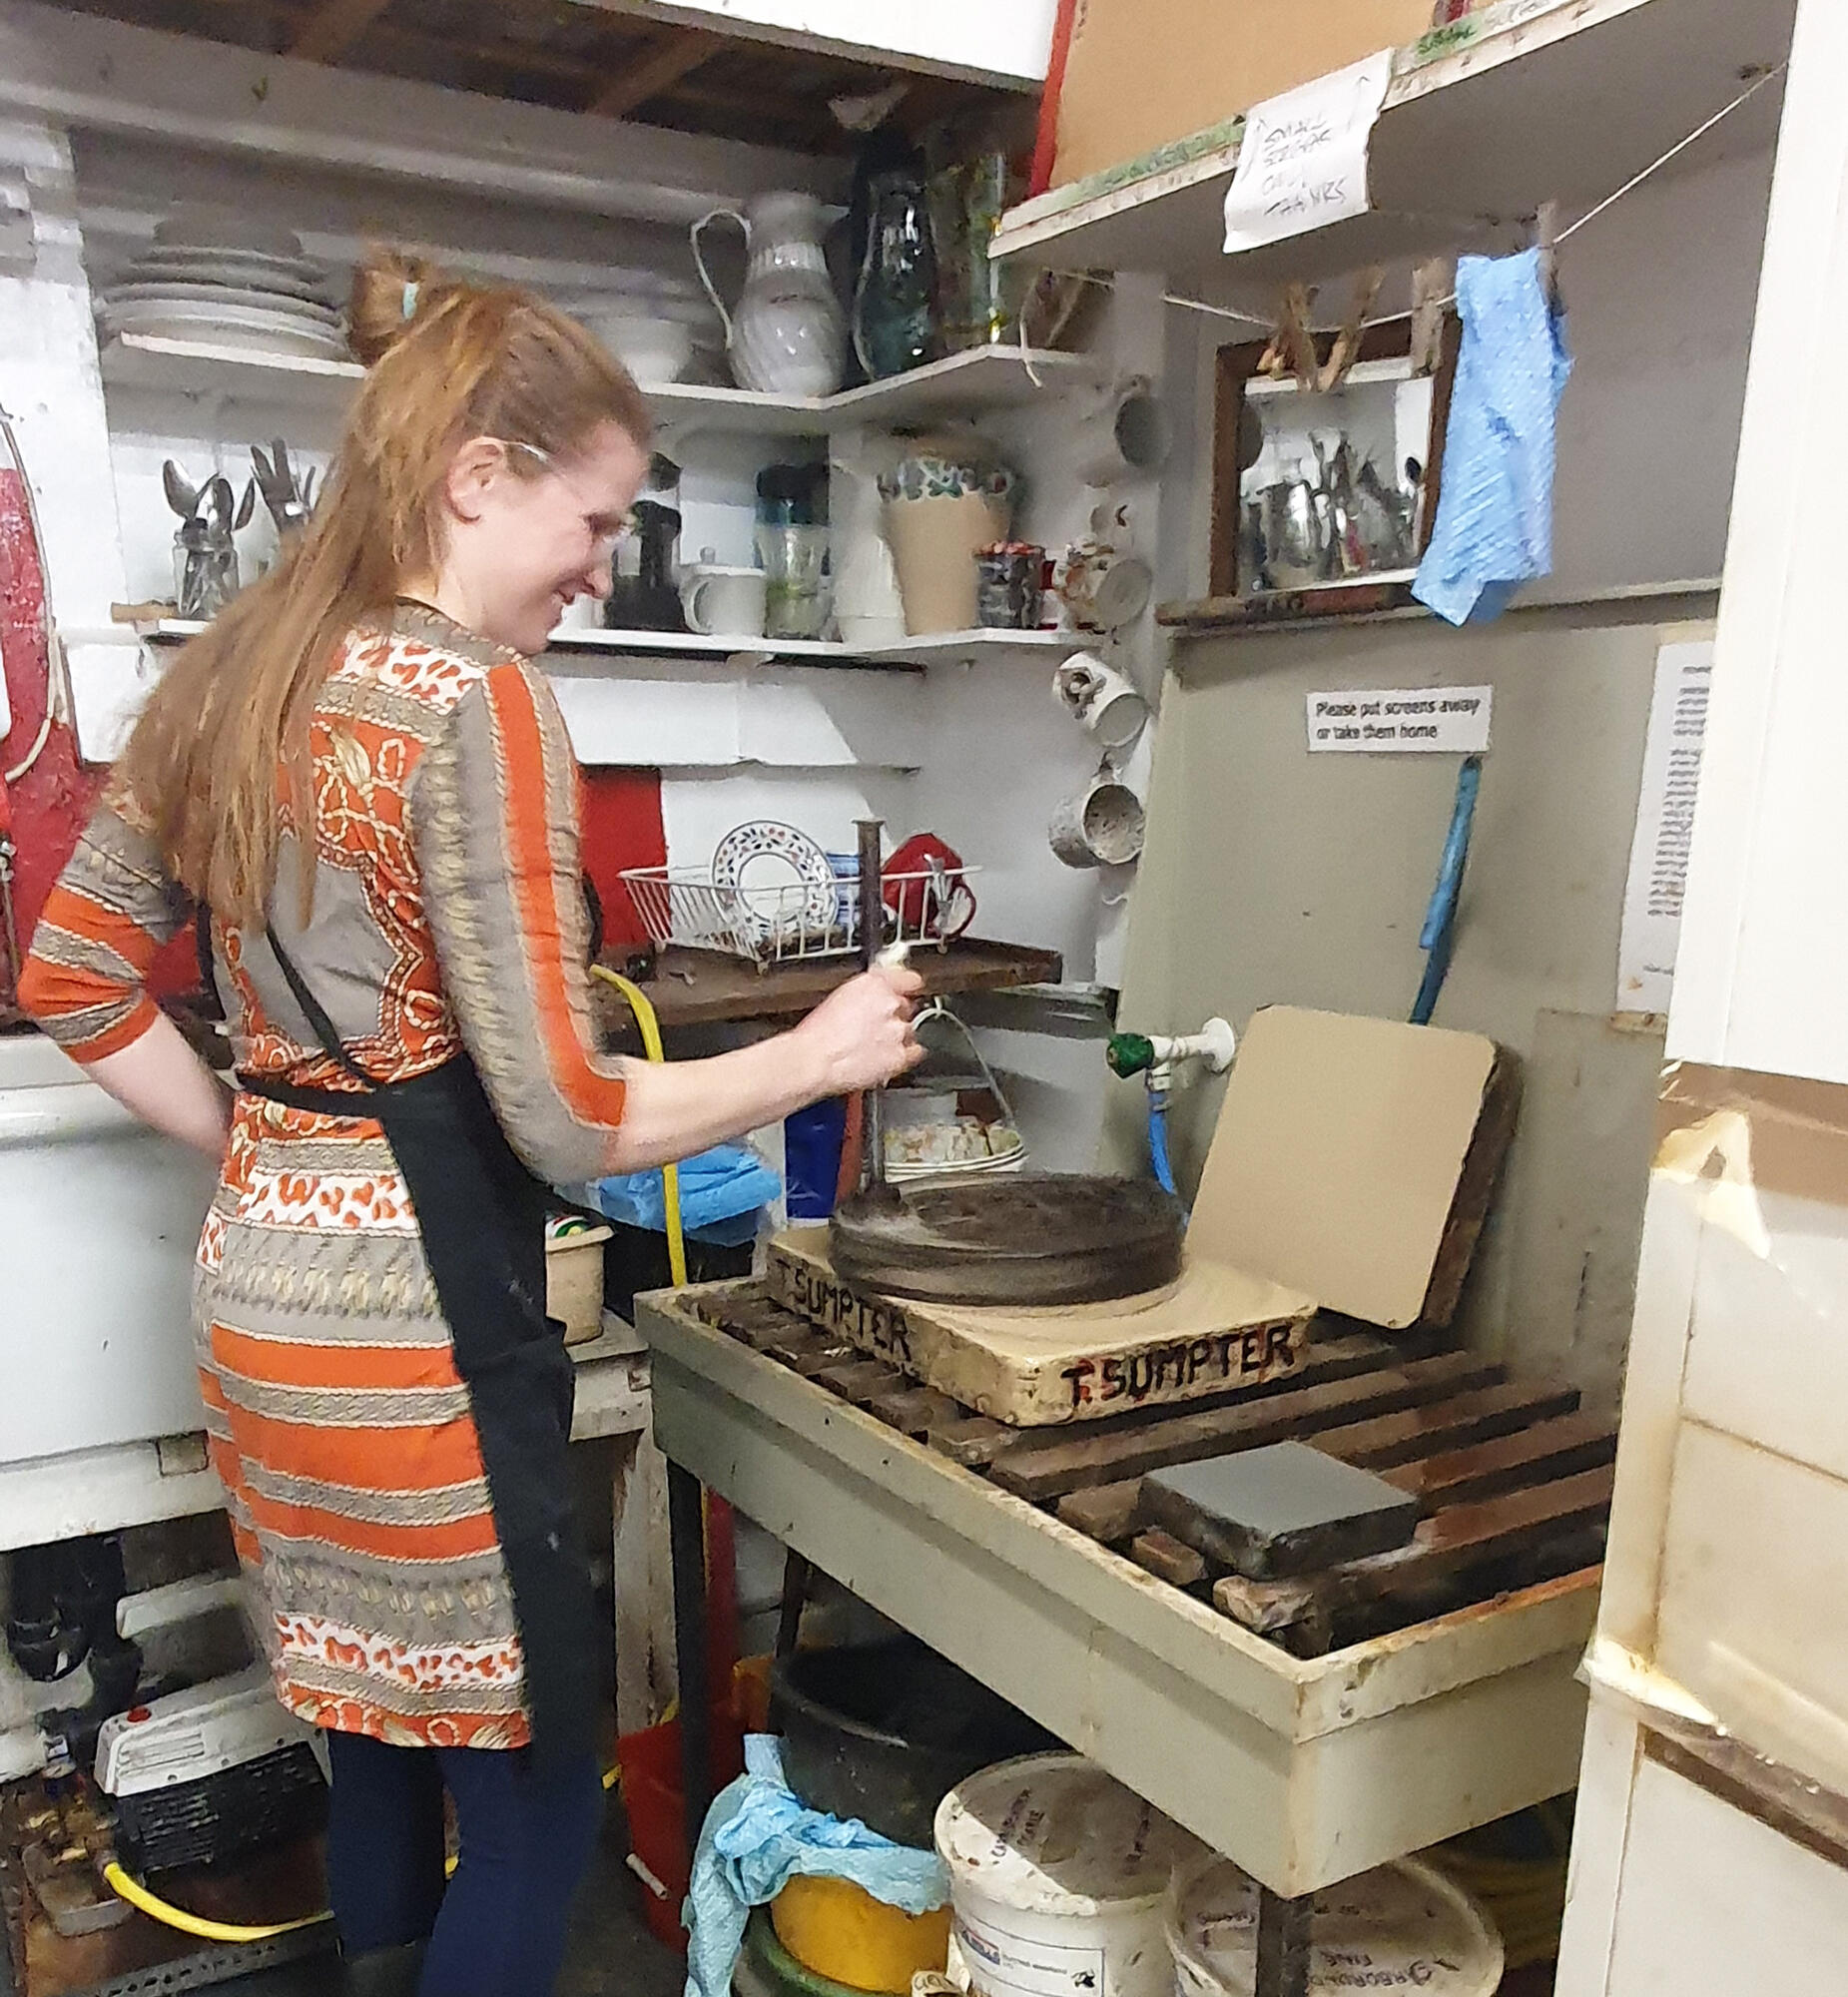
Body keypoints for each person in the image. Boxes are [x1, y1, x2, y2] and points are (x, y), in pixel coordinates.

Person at [18, 249, 922, 1997]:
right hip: (424, 1335)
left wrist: (258, 1141)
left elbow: (76, 972)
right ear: (476, 477)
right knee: (524, 1804)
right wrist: (816, 1054)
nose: (600, 565)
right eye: (590, 520)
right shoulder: (468, 701)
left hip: (269, 1316)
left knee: (370, 1734)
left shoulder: (229, 677)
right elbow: (570, 1119)